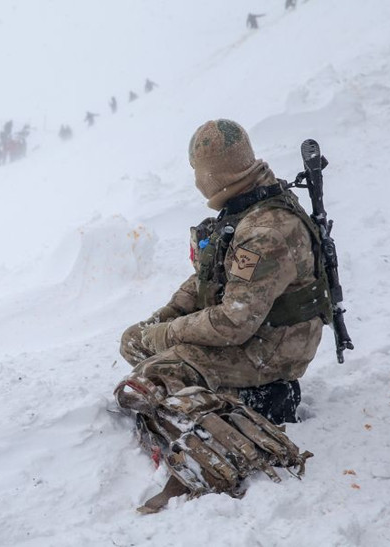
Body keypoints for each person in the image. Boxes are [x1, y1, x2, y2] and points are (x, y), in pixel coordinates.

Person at [115, 119, 325, 510]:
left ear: (211, 175)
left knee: (154, 376)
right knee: (138, 347)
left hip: (275, 348)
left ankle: (222, 447)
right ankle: (231, 397)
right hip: (256, 331)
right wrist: (164, 317)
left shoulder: (264, 231)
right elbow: (209, 278)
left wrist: (166, 335)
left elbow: (233, 321)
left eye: (198, 173)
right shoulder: (246, 206)